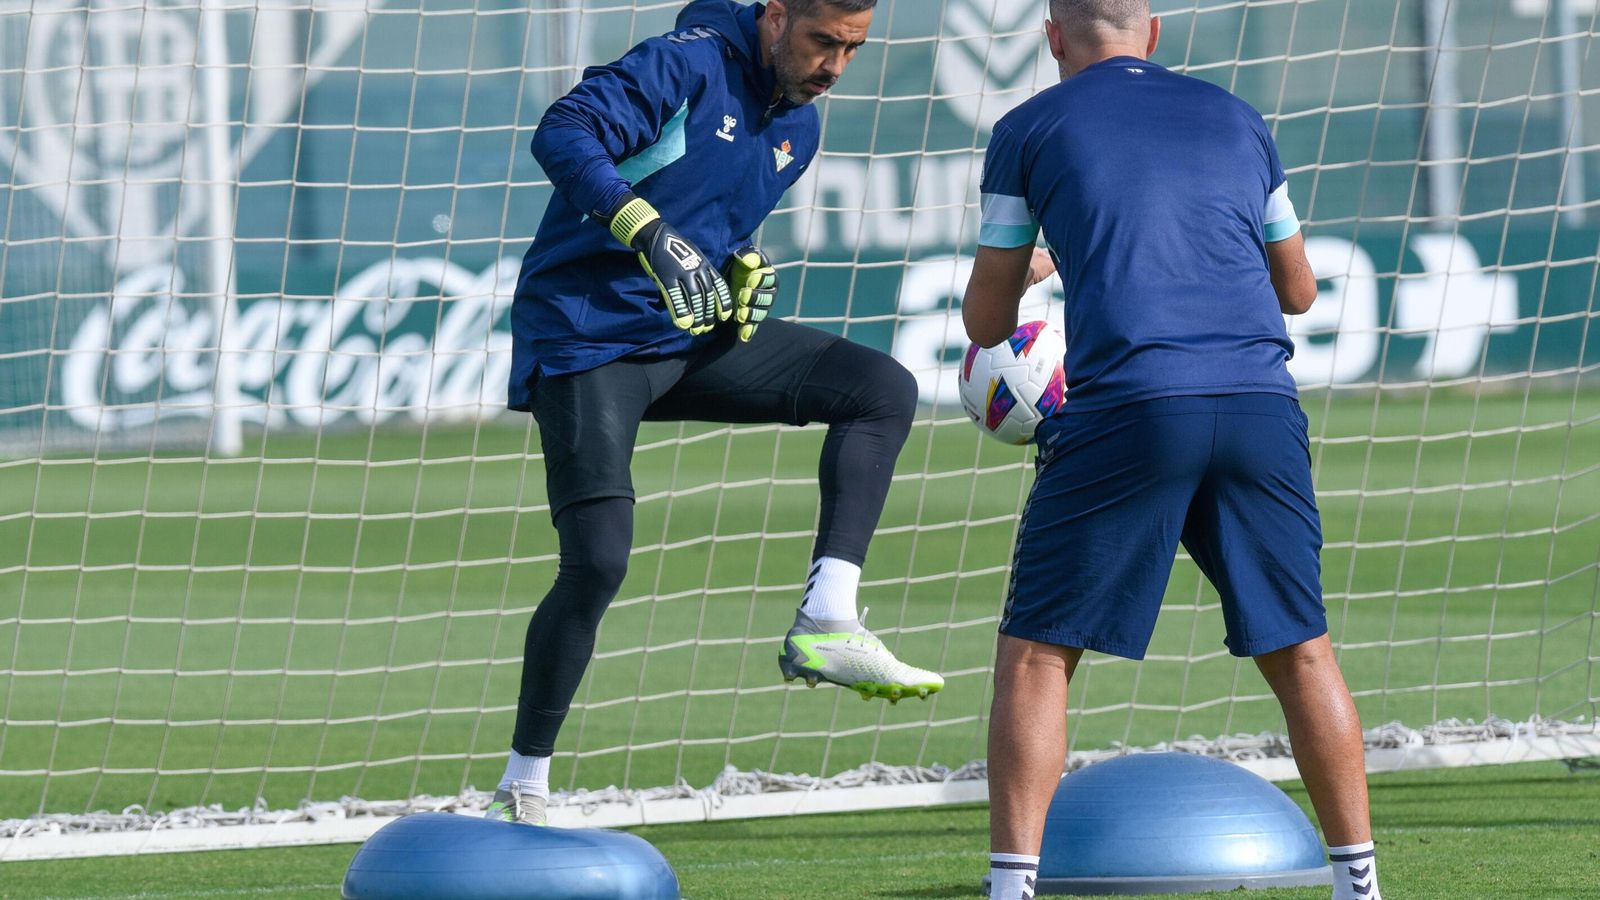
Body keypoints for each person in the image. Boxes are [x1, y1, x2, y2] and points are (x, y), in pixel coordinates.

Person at [488, 0, 944, 826]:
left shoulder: (798, 130)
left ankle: (828, 617)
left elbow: (714, 237)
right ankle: (525, 782)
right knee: (596, 562)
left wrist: (737, 281)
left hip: (688, 345)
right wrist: (644, 227)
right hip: (588, 341)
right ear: (774, 19)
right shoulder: (686, 63)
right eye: (822, 42)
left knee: (881, 389)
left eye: (853, 49)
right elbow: (562, 132)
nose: (836, 66)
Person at [962, 2, 1381, 899]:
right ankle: (1360, 885)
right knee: (1304, 650)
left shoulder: (1027, 127)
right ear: (1151, 33)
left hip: (1133, 407)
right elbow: (1298, 290)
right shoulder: (1238, 117)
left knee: (1037, 656)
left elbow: (987, 321)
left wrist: (1054, 261)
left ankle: (1009, 890)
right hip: (1263, 406)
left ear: (1053, 37)